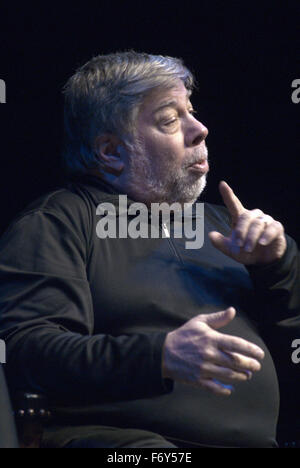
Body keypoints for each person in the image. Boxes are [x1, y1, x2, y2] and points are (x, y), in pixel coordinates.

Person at [0, 51, 299, 448]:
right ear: (111, 152)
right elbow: (27, 353)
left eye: (190, 112)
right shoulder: (58, 222)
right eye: (170, 120)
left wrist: (278, 265)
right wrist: (158, 355)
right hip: (127, 444)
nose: (200, 129)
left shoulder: (228, 225)